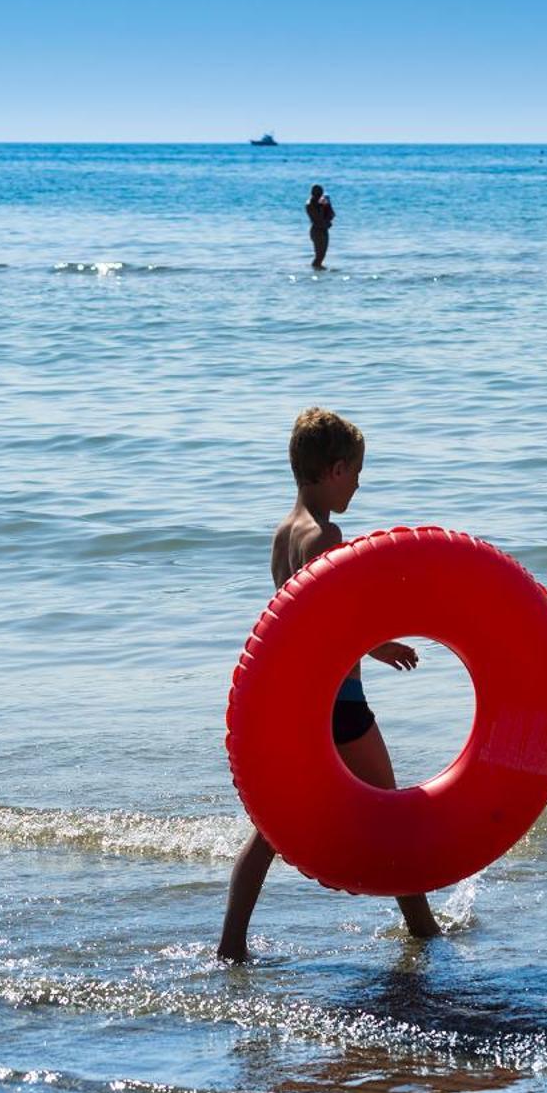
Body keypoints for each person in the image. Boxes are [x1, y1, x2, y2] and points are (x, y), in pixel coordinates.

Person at [219, 408, 440, 961]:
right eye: (357, 472)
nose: (360, 484)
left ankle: (231, 944)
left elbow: (292, 623)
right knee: (389, 813)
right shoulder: (325, 534)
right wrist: (380, 645)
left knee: (270, 829)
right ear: (335, 469)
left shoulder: (282, 534)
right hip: (339, 703)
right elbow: (328, 624)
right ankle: (424, 932)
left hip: (298, 701)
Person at [306, 184, 335, 270]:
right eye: (318, 193)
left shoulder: (322, 203)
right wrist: (327, 223)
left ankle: (318, 272)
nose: (320, 195)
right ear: (313, 193)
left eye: (321, 193)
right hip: (317, 231)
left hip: (324, 230)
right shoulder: (310, 204)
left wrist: (328, 204)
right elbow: (318, 219)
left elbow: (332, 215)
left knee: (322, 255)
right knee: (319, 255)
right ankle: (316, 272)